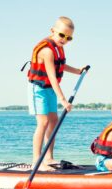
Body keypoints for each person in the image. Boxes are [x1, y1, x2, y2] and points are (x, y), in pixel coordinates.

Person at [27, 16, 86, 170]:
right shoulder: (47, 50)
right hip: (39, 88)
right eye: (61, 35)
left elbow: (61, 65)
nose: (64, 39)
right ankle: (36, 162)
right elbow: (52, 77)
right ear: (52, 31)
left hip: (50, 89)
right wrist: (63, 100)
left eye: (69, 38)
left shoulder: (59, 48)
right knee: (43, 122)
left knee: (53, 121)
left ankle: (49, 158)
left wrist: (78, 71)